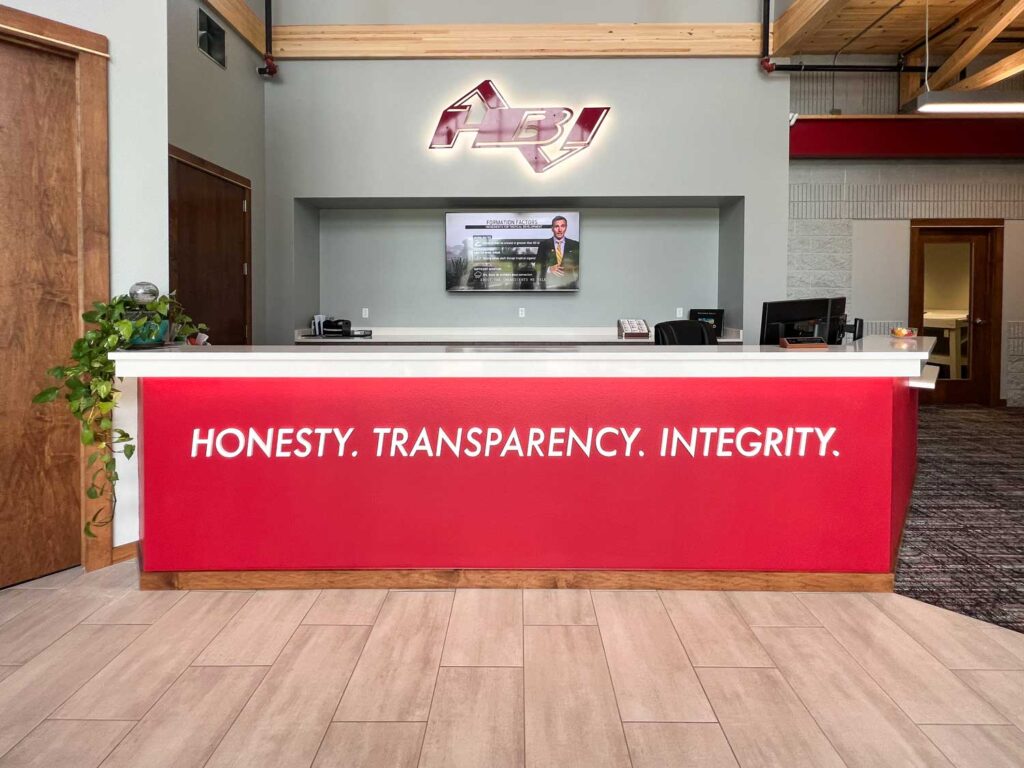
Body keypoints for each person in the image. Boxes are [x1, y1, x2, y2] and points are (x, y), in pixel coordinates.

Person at [534, 215, 579, 289]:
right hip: (550, 286)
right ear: (552, 228)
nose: (560, 229)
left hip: (570, 287)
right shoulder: (544, 245)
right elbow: (537, 266)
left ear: (566, 227)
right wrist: (549, 269)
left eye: (562, 226)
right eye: (556, 226)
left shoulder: (575, 245)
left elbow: (580, 267)